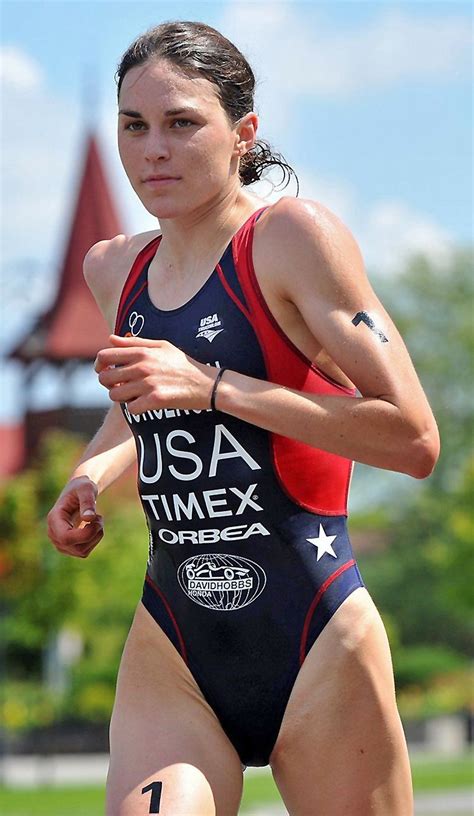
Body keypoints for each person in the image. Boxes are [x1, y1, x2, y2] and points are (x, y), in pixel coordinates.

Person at [47, 20, 439, 816]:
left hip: (315, 633)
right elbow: (138, 409)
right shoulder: (113, 269)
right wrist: (89, 475)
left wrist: (216, 386)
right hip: (177, 641)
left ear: (242, 134)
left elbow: (413, 437)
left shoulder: (292, 239)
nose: (153, 149)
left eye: (182, 122)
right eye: (135, 126)